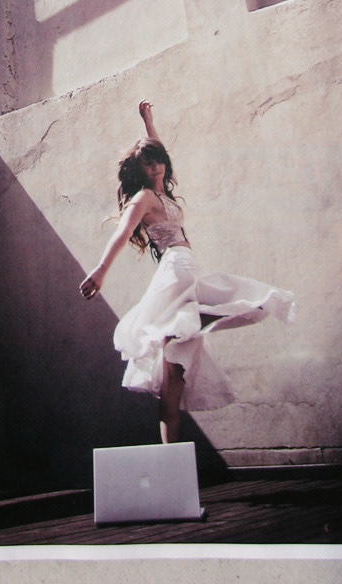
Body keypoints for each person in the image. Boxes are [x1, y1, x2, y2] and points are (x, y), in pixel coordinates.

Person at [80, 100, 295, 444]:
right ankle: (194, 323)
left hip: (186, 266)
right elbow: (123, 232)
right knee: (232, 297)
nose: (156, 167)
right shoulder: (144, 198)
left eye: (158, 161)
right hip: (177, 268)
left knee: (173, 386)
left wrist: (149, 122)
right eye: (148, 163)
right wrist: (101, 270)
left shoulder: (164, 192)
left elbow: (160, 152)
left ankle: (171, 447)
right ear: (140, 170)